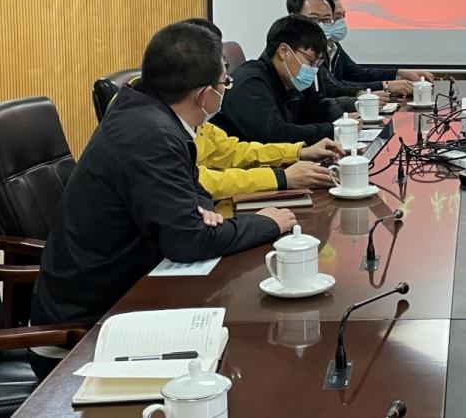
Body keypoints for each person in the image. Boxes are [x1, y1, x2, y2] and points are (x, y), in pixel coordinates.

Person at [29, 22, 296, 379]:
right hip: (85, 331)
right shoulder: (152, 135)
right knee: (245, 356)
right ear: (204, 95)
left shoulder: (144, 109)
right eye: (225, 84)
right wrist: (267, 223)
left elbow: (196, 193)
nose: (225, 91)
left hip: (128, 292)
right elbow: (189, 240)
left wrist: (198, 211)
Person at [181, 19, 344, 199]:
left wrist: (299, 152)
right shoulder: (165, 131)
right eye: (225, 82)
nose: (226, 88)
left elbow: (233, 151)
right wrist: (280, 178)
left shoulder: (200, 125)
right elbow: (198, 181)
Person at [215, 15, 352, 144]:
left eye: (317, 63)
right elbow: (275, 135)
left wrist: (344, 119)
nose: (313, 69)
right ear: (283, 51)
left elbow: (314, 109)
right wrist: (334, 130)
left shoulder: (289, 81)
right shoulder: (250, 83)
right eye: (311, 61)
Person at [286, 0, 434, 96]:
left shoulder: (333, 47)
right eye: (335, 17)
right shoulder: (299, 53)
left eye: (330, 18)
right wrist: (385, 86)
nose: (335, 23)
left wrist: (399, 73)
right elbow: (333, 87)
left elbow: (359, 74)